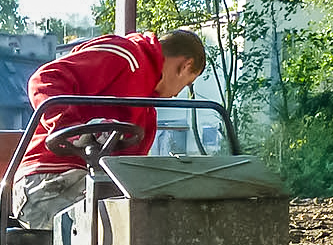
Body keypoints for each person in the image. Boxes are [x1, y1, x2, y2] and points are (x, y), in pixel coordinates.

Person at [11, 29, 208, 230]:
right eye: (188, 84)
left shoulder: (146, 115)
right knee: (127, 225)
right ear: (186, 66)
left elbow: (130, 175)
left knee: (158, 214)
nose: (177, 94)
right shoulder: (124, 55)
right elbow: (44, 80)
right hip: (45, 182)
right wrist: (73, 128)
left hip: (90, 184)